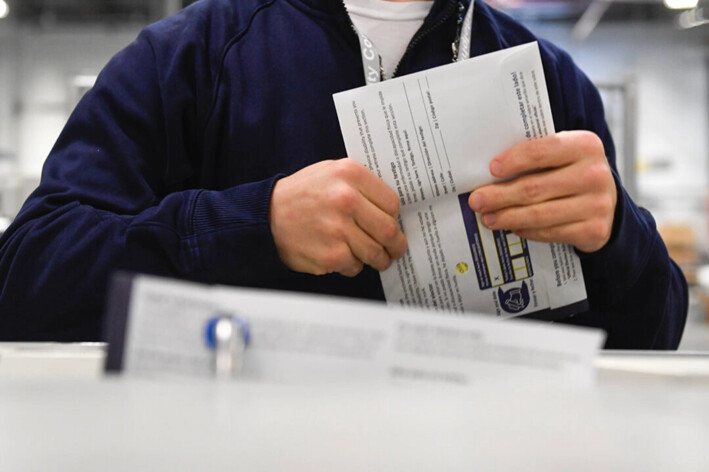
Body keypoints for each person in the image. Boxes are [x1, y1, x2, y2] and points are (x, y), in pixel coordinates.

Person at [0, 0, 687, 348]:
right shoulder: (189, 56)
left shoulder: (546, 78)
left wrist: (615, 241)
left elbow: (651, 336)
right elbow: (25, 284)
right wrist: (253, 226)